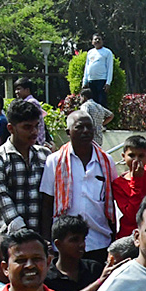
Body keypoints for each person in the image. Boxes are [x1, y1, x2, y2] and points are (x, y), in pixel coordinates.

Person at [39, 110, 117, 264]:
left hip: (99, 242)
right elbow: (47, 203)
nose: (86, 131)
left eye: (89, 127)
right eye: (80, 127)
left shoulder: (106, 162)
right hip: (64, 245)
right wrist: (46, 241)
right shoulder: (54, 161)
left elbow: (113, 203)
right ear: (68, 132)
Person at [0, 98, 50, 238]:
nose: (34, 132)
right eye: (27, 127)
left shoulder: (45, 156)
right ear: (10, 128)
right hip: (3, 240)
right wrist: (27, 237)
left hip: (37, 239)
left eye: (36, 126)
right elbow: (3, 203)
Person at [12, 79, 47, 147]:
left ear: (27, 90)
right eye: (16, 89)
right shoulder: (25, 102)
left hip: (35, 139)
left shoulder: (31, 102)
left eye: (19, 89)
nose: (16, 92)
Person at [83, 34, 114, 108]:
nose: (97, 41)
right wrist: (85, 81)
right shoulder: (90, 52)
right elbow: (87, 67)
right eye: (95, 39)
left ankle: (103, 119)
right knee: (92, 103)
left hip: (102, 81)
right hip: (91, 81)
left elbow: (110, 68)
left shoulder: (107, 52)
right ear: (92, 42)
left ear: (102, 41)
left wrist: (108, 83)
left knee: (101, 103)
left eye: (99, 39)